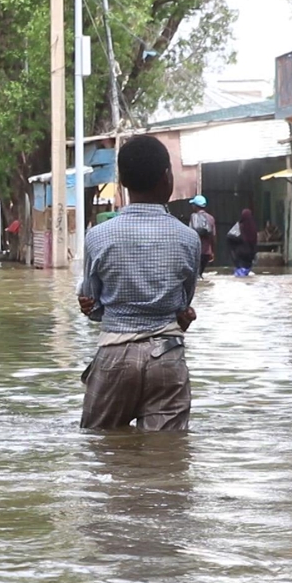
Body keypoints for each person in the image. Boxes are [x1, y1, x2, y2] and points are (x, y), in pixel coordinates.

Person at [77, 135, 201, 431]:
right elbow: (183, 305)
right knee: (166, 460)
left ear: (122, 182)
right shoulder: (188, 239)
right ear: (167, 178)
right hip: (167, 357)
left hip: (114, 356)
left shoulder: (97, 237)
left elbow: (93, 304)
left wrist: (95, 310)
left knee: (101, 451)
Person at [188, 195, 215, 278]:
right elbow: (213, 236)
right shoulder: (211, 218)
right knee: (200, 274)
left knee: (195, 276)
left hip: (195, 251)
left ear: (196, 206)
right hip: (206, 251)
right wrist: (212, 250)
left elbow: (189, 234)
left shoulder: (193, 217)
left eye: (193, 204)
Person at [227, 208, 258, 277]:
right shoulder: (253, 227)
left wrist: (238, 241)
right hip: (250, 254)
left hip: (240, 254)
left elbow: (229, 236)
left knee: (240, 274)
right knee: (246, 272)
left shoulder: (239, 226)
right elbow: (254, 241)